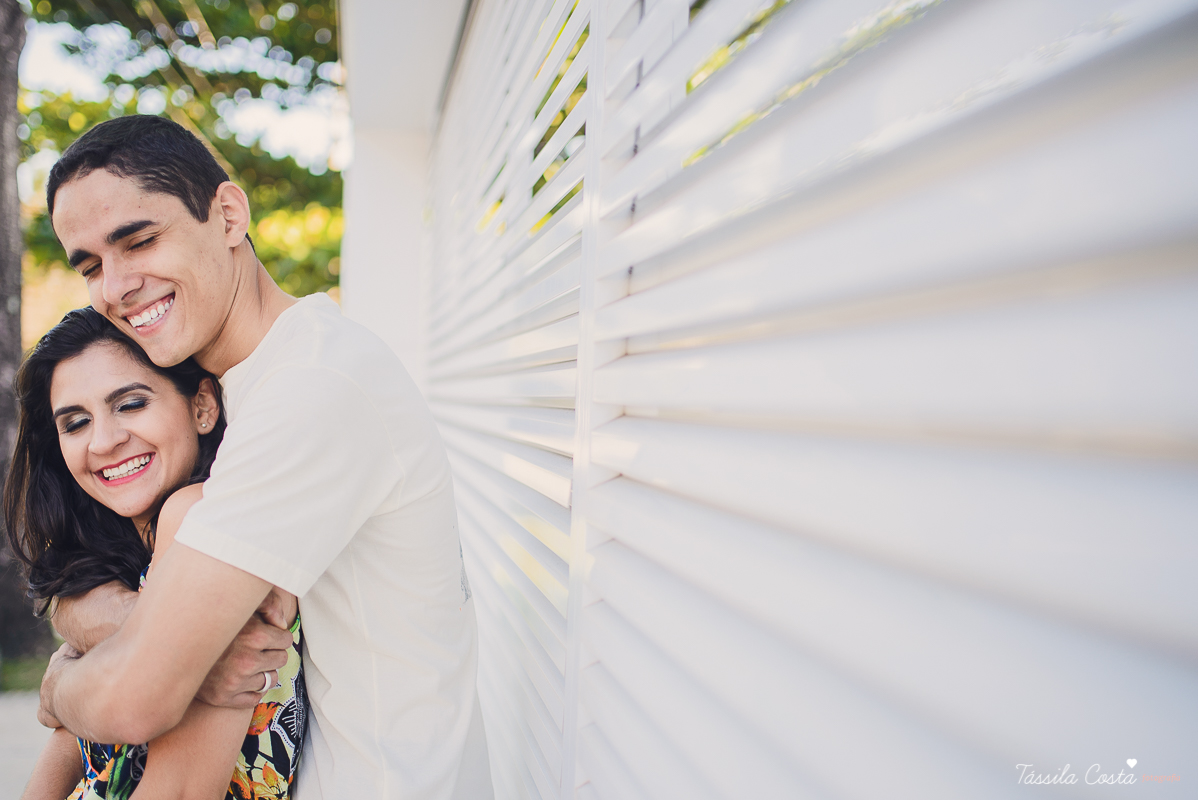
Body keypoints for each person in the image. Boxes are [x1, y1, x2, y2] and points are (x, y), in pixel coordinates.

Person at [36, 115, 492, 799]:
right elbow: (145, 613)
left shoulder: (309, 391)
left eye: (140, 240)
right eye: (92, 265)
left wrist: (59, 684)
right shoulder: (252, 385)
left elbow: (139, 699)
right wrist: (95, 620)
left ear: (227, 215)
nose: (116, 286)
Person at [6, 307, 306, 799]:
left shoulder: (203, 516)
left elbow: (183, 788)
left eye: (130, 404)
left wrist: (65, 686)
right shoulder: (126, 558)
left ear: (202, 405)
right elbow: (72, 752)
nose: (103, 441)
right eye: (76, 422)